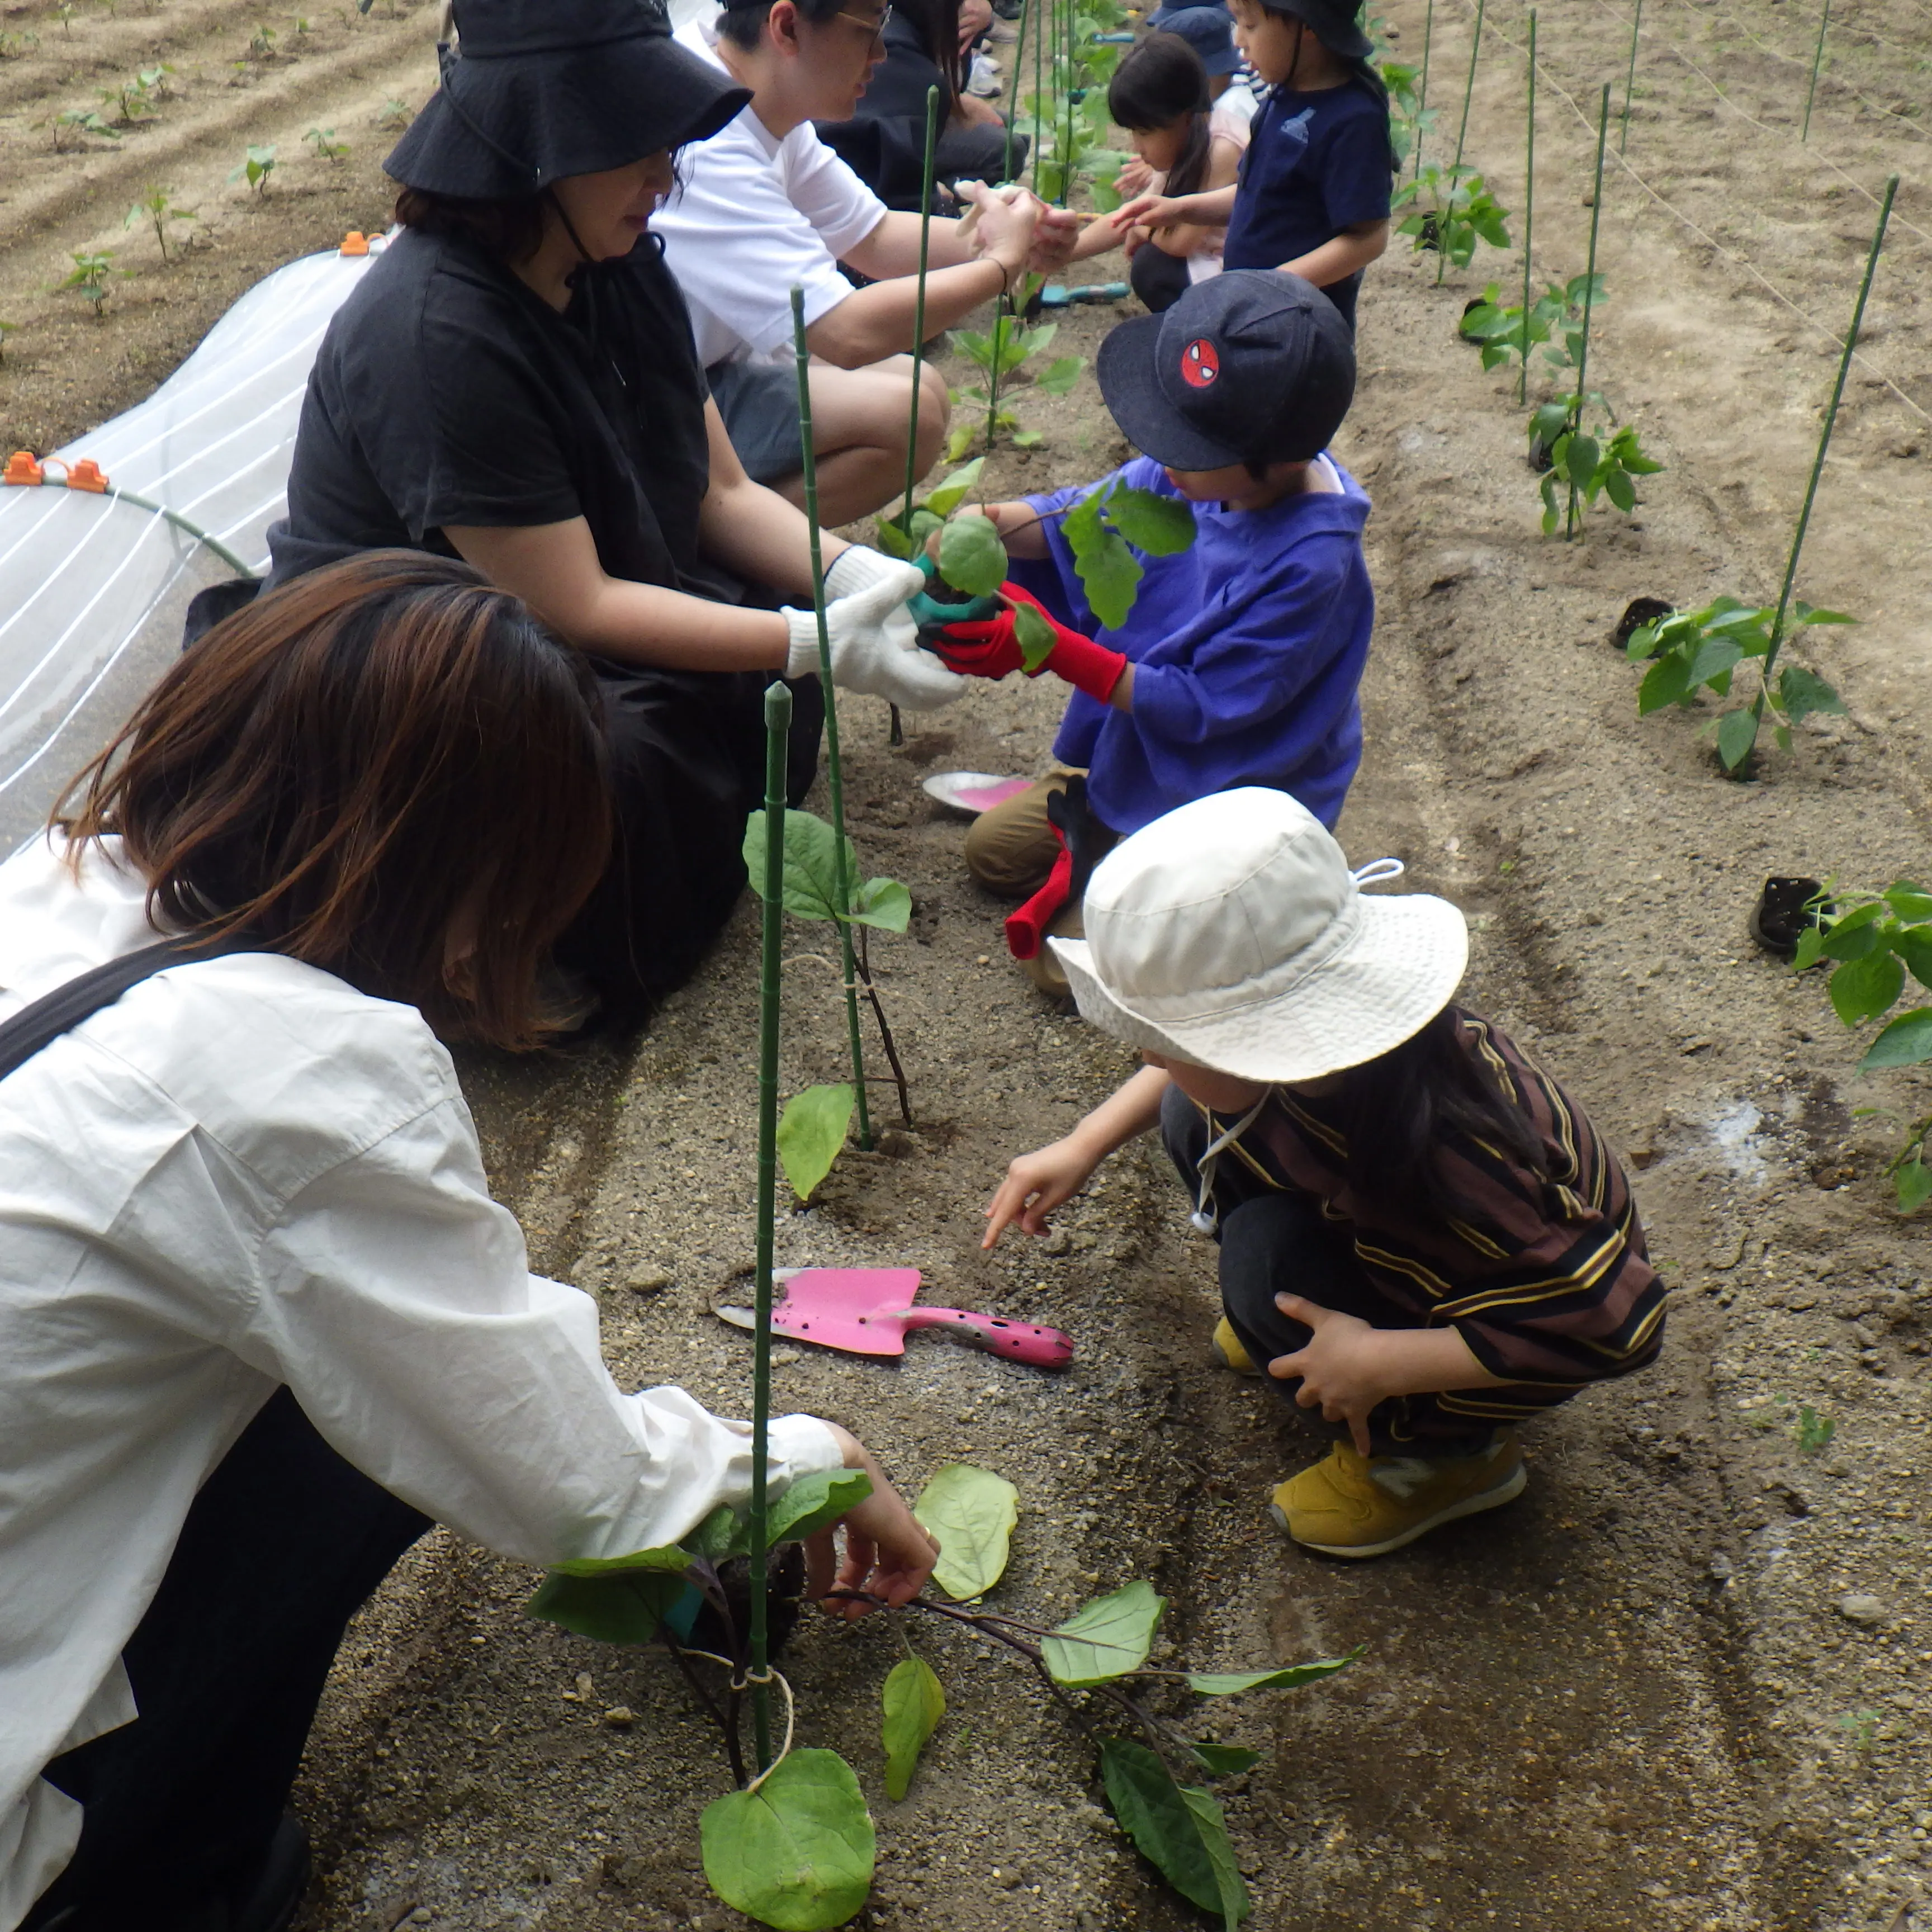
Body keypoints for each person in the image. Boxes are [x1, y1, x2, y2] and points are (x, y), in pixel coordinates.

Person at [1, 554, 941, 1932]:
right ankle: (171, 1884)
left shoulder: (57, 878)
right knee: (357, 1445)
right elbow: (562, 1475)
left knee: (328, 1361)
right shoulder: (297, 1069)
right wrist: (805, 1454)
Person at [265, 0, 965, 1031]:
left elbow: (719, 493)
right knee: (621, 772)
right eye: (634, 144)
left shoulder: (619, 264)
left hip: (549, 620)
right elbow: (577, 604)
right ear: (540, 150)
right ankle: (489, 953)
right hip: (412, 672)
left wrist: (850, 577)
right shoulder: (439, 332)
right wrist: (808, 639)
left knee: (753, 683)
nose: (663, 174)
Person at [983, 789, 1669, 1559]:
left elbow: (1620, 1320)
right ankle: (1314, 1332)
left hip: (1524, 1316)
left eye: (1168, 1040)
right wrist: (1085, 1142)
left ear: (1258, 1042)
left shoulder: (1448, 1156)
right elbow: (1193, 1079)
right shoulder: (1342, 1059)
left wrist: (1376, 1360)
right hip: (1412, 1244)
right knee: (1185, 1111)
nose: (1148, 1054)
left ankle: (1447, 1461)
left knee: (1261, 1263)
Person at [929, 272, 1371, 997]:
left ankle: (1226, 887)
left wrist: (1052, 647)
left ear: (1281, 461)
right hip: (1146, 754)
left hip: (1231, 787)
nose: (1165, 457)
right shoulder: (1199, 468)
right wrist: (990, 526)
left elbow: (1198, 707)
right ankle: (1108, 822)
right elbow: (1080, 516)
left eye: (1186, 445)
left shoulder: (1310, 564)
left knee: (1064, 975)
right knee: (991, 857)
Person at [652, 0, 1078, 517]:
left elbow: (873, 236)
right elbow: (846, 334)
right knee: (907, 415)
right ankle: (706, 540)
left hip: (712, 363)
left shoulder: (744, 88)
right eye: (868, 30)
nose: (881, 54)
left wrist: (1014, 238)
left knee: (919, 386)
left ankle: (738, 526)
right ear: (786, 27)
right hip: (651, 404)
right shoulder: (706, 141)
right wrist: (1000, 268)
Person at [1110, 0, 1394, 329]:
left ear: (1308, 25)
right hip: (1250, 309)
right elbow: (1257, 192)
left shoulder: (1354, 120)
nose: (1238, 41)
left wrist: (1272, 286)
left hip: (1299, 329)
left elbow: (1368, 239)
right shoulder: (1282, 97)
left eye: (1250, 25)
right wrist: (1182, 209)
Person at [1060, 31, 1246, 314]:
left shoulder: (1222, 149)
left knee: (1153, 268)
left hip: (1246, 273)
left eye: (1144, 133)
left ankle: (1204, 332)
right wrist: (1061, 255)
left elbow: (1182, 242)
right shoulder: (1188, 139)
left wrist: (1141, 229)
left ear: (1184, 117)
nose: (1137, 147)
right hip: (1215, 259)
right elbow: (1126, 217)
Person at [813, 0, 1025, 212]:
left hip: (908, 111)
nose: (877, 54)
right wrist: (934, 199)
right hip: (872, 157)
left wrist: (985, 15)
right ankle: (949, 186)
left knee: (1016, 128)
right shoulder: (900, 58)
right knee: (1008, 150)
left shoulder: (909, 44)